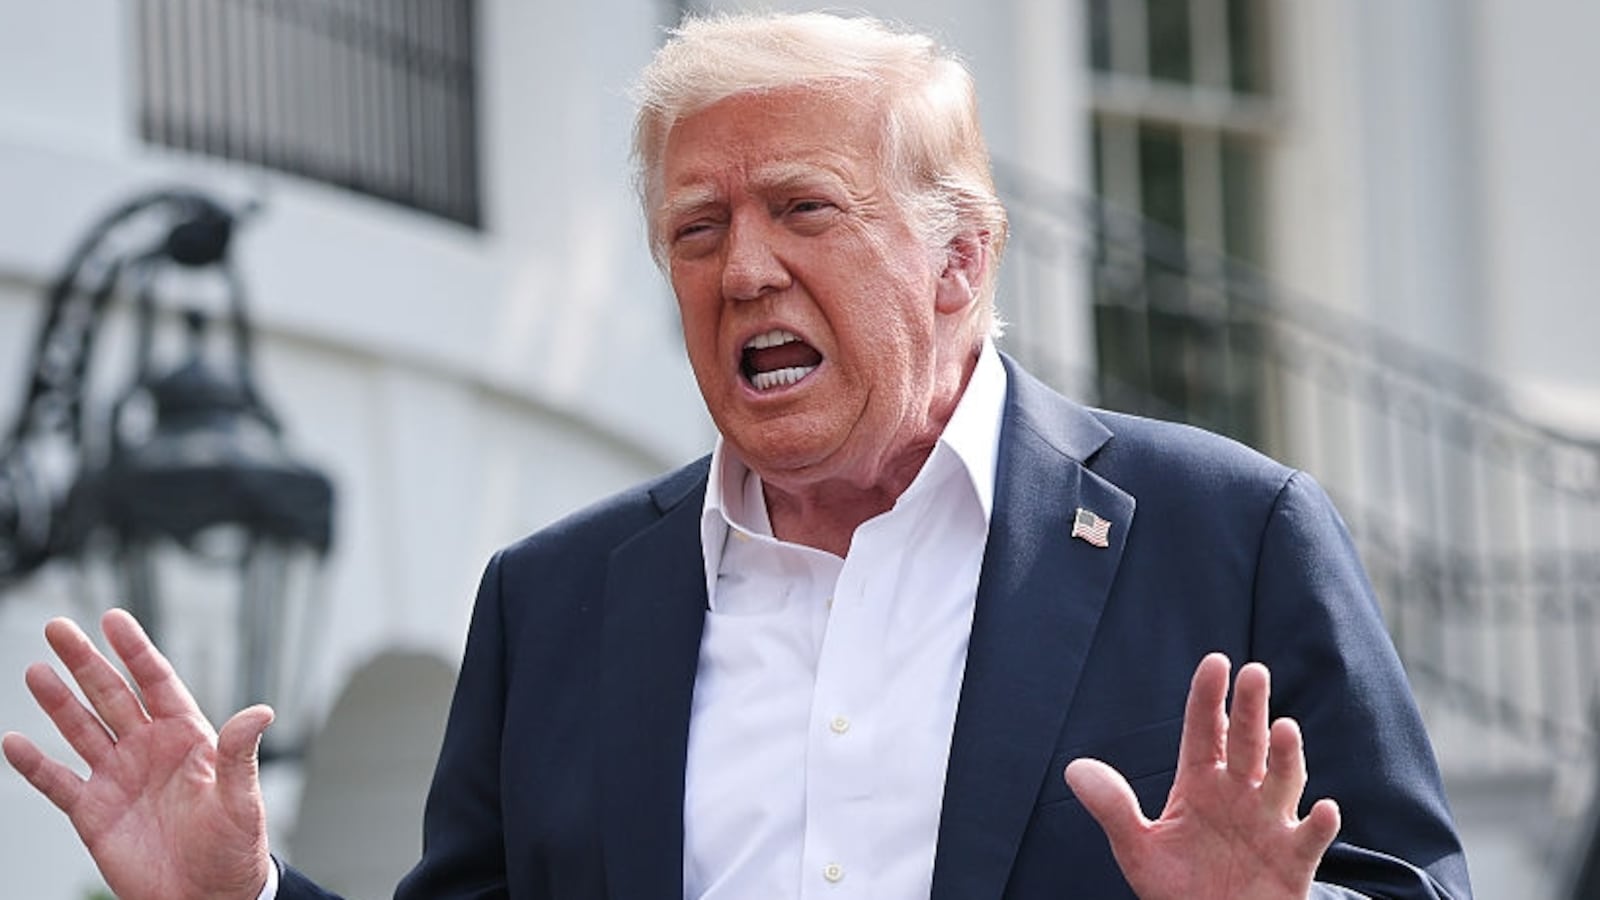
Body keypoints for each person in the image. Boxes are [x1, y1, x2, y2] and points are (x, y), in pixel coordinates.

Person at [3, 11, 1471, 900]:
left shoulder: (1227, 537)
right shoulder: (557, 602)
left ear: (960, 261)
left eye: (804, 210)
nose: (744, 270)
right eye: (696, 231)